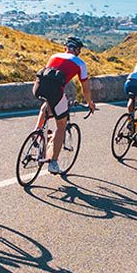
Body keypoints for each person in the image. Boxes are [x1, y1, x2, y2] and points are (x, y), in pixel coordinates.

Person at [33, 36, 95, 174]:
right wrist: (90, 103)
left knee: (47, 105)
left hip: (38, 86)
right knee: (61, 125)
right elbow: (85, 89)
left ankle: (37, 132)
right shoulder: (80, 63)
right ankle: (53, 163)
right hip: (55, 91)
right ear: (78, 50)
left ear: (65, 48)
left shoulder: (54, 55)